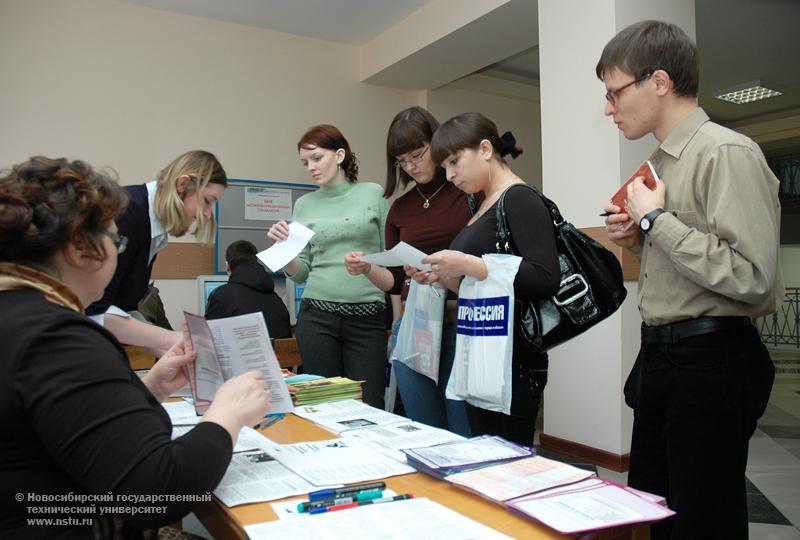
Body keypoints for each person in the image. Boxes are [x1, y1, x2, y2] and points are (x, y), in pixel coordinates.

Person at [0, 156, 270, 538]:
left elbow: (55, 424)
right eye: (116, 240)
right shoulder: (58, 339)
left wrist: (150, 390)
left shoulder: (18, 318)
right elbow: (154, 494)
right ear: (80, 248)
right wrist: (227, 414)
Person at [597, 20, 783, 539]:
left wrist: (658, 221)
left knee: (704, 521)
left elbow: (754, 279)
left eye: (615, 93)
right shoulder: (660, 162)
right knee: (657, 511)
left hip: (712, 363)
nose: (608, 109)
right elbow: (692, 263)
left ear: (658, 82)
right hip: (664, 358)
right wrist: (640, 237)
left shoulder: (726, 152)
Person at [409, 112, 560, 446]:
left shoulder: (520, 198)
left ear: (486, 149)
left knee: (507, 464)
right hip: (481, 349)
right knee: (486, 458)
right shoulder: (481, 202)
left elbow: (546, 276)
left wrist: (469, 264)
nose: (448, 176)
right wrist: (440, 277)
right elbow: (479, 286)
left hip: (513, 358)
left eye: (454, 162)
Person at [343, 107, 474, 435]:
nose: (411, 166)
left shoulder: (468, 194)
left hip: (462, 322)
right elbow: (394, 283)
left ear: (438, 144)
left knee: (464, 432)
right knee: (424, 430)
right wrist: (368, 267)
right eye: (401, 161)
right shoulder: (400, 207)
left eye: (417, 154)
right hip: (416, 326)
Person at [268, 125, 389, 408]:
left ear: (339, 155)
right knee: (323, 406)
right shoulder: (304, 205)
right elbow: (302, 272)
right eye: (305, 162)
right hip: (317, 316)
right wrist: (283, 251)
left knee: (369, 404)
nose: (311, 167)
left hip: (368, 317)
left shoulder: (373, 194)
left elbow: (388, 256)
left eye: (317, 158)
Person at [86, 150, 227, 356]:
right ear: (182, 185)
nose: (207, 214)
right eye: (207, 201)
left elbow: (124, 309)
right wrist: (174, 340)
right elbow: (95, 312)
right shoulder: (126, 213)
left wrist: (173, 353)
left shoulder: (154, 230)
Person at [206, 239, 292, 339]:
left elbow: (208, 338)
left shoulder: (222, 295)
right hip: (278, 355)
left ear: (228, 265)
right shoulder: (277, 300)